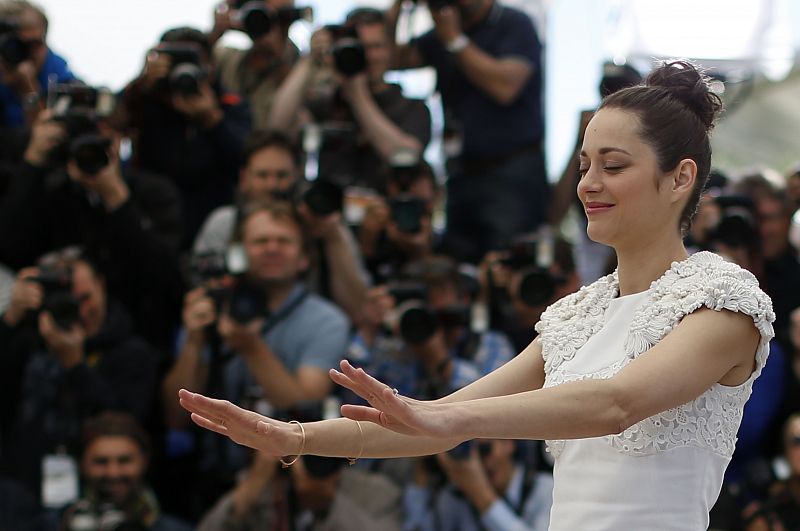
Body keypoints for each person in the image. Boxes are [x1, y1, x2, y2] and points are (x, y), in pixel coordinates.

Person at [177, 61, 775, 529]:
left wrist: (451, 418)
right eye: (585, 163)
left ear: (681, 177)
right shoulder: (579, 313)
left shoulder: (723, 299)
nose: (588, 184)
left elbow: (615, 404)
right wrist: (299, 437)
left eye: (613, 166)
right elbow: (434, 422)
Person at [387, 0, 546, 263]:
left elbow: (505, 87)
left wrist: (455, 42)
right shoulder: (444, 33)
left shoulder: (513, 25)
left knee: (507, 265)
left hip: (511, 172)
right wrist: (398, 6)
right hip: (461, 171)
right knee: (459, 265)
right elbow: (389, 59)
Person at [268, 7, 431, 193]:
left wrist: (357, 94)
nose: (368, 57)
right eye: (361, 47)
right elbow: (276, 129)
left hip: (383, 214)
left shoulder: (411, 108)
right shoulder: (325, 103)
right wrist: (309, 61)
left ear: (390, 50)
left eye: (376, 47)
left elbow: (404, 156)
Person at [60, 411, 191, 531]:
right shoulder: (54, 524)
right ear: (81, 464)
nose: (113, 473)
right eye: (101, 462)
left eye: (124, 461)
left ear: (144, 461)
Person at [0, 0, 77, 128]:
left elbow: (46, 138)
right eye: (20, 45)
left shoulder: (58, 76)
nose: (30, 53)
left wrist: (28, 88)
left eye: (36, 44)